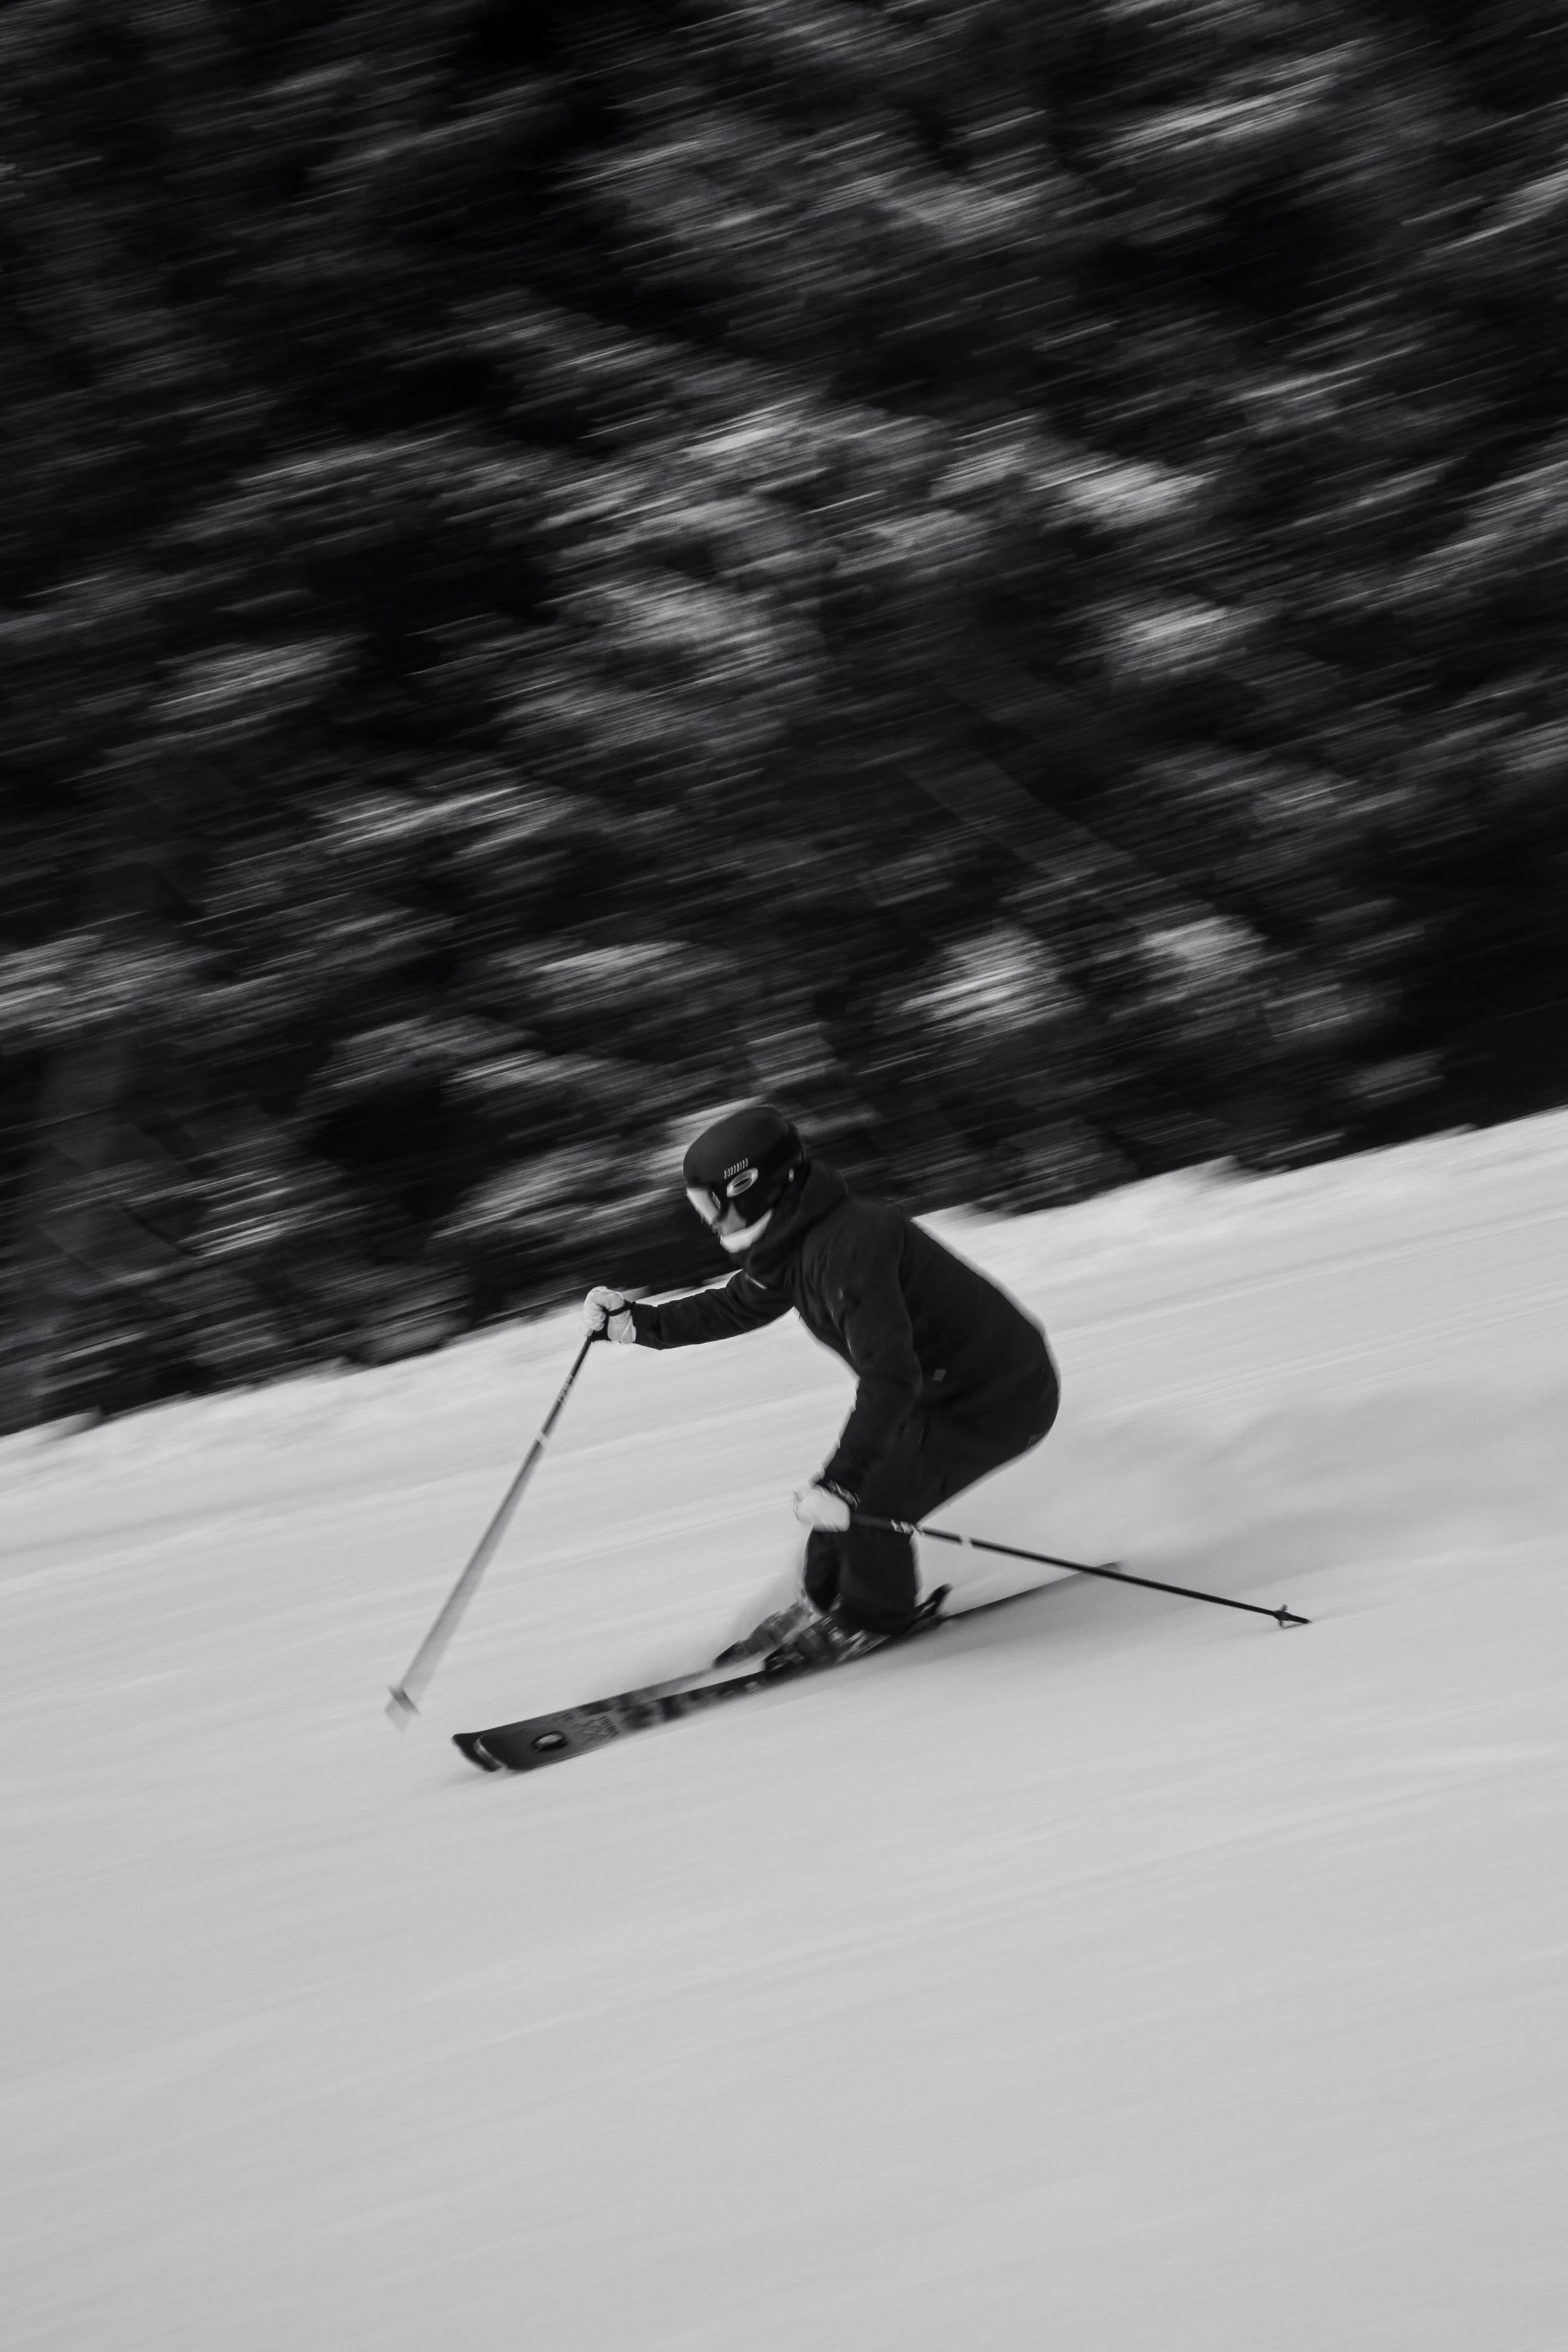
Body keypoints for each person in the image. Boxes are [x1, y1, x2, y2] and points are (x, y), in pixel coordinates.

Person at [581, 1104, 1059, 1668]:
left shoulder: (850, 1245)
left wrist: (843, 1483)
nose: (710, 1221)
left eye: (714, 1203)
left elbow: (890, 1375)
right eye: (700, 1206)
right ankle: (825, 1601)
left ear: (753, 1187)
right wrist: (640, 1324)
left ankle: (872, 1619)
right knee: (844, 1496)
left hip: (998, 1396)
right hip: (937, 1392)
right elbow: (739, 1303)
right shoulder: (794, 1239)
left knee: (863, 1499)